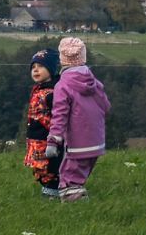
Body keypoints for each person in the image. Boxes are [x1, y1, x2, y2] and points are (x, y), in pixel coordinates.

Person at [46, 36, 110, 202]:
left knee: (69, 178)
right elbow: (106, 105)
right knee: (80, 174)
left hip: (77, 141)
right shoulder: (94, 82)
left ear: (62, 60)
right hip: (96, 140)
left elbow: (59, 114)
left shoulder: (62, 86)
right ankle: (78, 197)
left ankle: (74, 203)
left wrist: (53, 140)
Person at [21, 48, 62, 198]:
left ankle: (53, 192)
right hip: (35, 139)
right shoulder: (38, 90)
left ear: (51, 69)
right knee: (39, 168)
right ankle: (49, 189)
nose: (36, 70)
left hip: (47, 139)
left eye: (41, 66)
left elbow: (59, 117)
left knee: (50, 167)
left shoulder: (53, 93)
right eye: (33, 67)